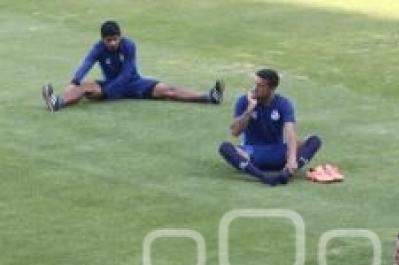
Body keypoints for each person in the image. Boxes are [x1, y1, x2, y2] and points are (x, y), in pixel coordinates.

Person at [41, 20, 224, 112]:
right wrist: (74, 81)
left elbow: (128, 73)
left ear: (120, 37)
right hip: (110, 85)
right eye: (108, 40)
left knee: (169, 90)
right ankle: (57, 103)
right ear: (103, 40)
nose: (112, 43)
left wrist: (108, 93)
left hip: (135, 84)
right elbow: (87, 63)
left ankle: (210, 97)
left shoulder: (129, 45)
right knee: (83, 87)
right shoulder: (98, 48)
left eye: (115, 39)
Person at [218, 68, 322, 186]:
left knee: (314, 140)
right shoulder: (244, 101)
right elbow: (235, 132)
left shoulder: (283, 104)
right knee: (225, 148)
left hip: (278, 152)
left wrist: (292, 158)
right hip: (252, 153)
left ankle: (287, 173)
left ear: (272, 88)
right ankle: (262, 176)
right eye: (255, 84)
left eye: (260, 85)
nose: (255, 88)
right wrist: (249, 110)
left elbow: (290, 132)